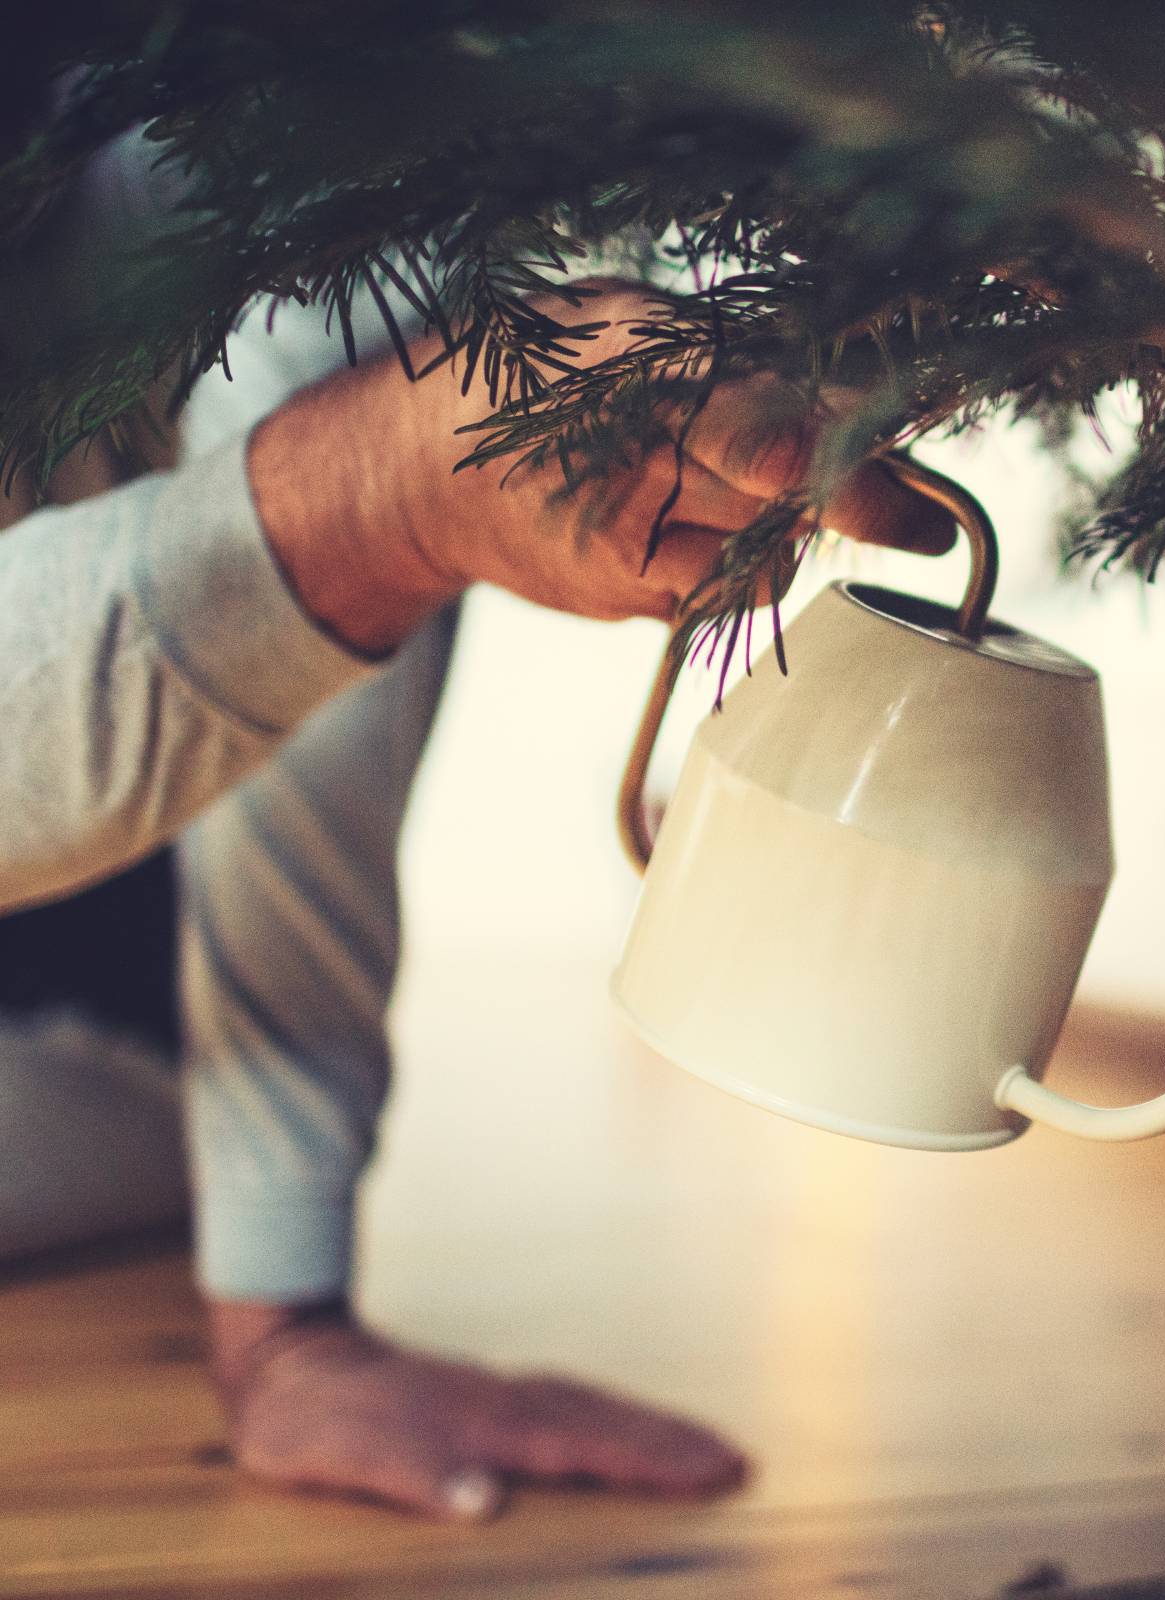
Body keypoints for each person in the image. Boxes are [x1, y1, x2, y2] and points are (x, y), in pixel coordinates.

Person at [0, 133, 953, 1520]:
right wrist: (385, 490)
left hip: (115, 965)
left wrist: (284, 1310)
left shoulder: (210, 151)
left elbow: (314, 304)